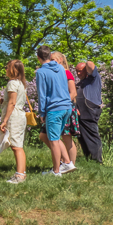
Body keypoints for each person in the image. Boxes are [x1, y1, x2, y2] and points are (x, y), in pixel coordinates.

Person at [35, 46, 73, 177]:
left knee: (53, 140)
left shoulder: (41, 72)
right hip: (67, 107)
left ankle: (56, 171)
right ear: (50, 55)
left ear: (38, 58)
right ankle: (67, 163)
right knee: (56, 138)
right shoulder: (61, 69)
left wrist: (42, 113)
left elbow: (42, 94)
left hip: (54, 109)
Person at [0, 60, 28, 184]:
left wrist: (4, 120)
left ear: (13, 70)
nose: (5, 69)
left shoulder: (12, 83)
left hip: (14, 116)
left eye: (7, 67)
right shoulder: (21, 83)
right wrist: (3, 100)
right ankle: (21, 173)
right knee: (17, 145)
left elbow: (12, 102)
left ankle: (20, 175)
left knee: (16, 146)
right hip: (20, 114)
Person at [50, 52, 79, 166]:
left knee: (66, 137)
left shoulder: (66, 73)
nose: (51, 62)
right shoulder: (56, 73)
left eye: (53, 59)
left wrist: (62, 103)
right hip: (60, 107)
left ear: (60, 59)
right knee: (55, 136)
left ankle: (70, 164)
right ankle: (65, 161)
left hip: (66, 107)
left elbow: (73, 92)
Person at [75, 60, 103, 164]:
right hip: (80, 115)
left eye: (81, 71)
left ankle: (97, 161)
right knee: (82, 138)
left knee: (93, 138)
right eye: (77, 71)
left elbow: (90, 63)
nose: (78, 73)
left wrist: (86, 66)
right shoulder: (79, 84)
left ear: (86, 70)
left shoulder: (94, 78)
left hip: (90, 113)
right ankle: (88, 160)